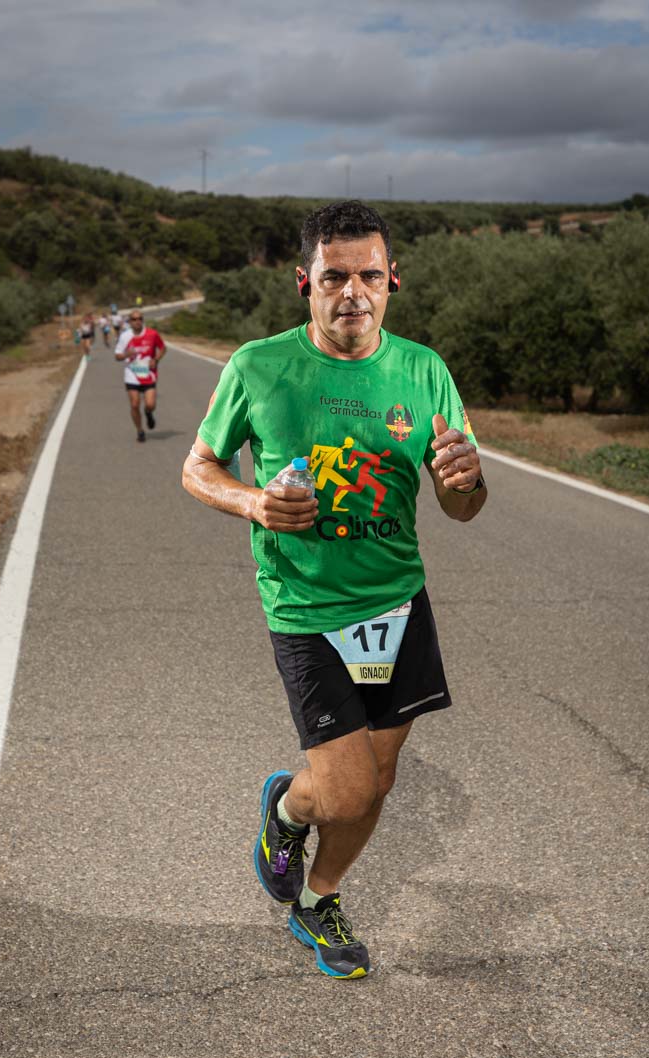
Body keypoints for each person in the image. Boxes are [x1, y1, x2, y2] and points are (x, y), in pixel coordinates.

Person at [182, 201, 486, 979]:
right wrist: (254, 503)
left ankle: (318, 899)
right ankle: (289, 807)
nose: (353, 291)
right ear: (304, 282)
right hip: (307, 608)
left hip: (399, 604)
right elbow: (198, 467)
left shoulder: (424, 371)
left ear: (392, 281)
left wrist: (466, 482)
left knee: (378, 780)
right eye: (335, 276)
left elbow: (461, 503)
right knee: (345, 793)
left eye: (369, 276)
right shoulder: (257, 366)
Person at [114, 309, 167, 443]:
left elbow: (163, 348)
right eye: (134, 319)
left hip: (149, 375)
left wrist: (155, 359)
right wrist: (127, 354)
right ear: (130, 322)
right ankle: (140, 430)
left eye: (140, 319)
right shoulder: (125, 336)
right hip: (132, 375)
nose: (137, 321)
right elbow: (117, 355)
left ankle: (148, 413)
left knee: (150, 404)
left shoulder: (152, 334)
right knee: (134, 404)